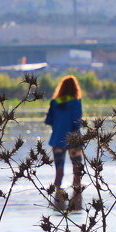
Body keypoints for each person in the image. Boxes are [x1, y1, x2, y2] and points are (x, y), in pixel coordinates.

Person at [44, 75, 85, 210]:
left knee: (59, 172)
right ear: (75, 88)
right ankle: (77, 198)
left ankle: (58, 199)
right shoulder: (76, 102)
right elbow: (77, 121)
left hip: (57, 139)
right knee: (77, 171)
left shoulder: (55, 102)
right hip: (73, 140)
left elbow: (48, 120)